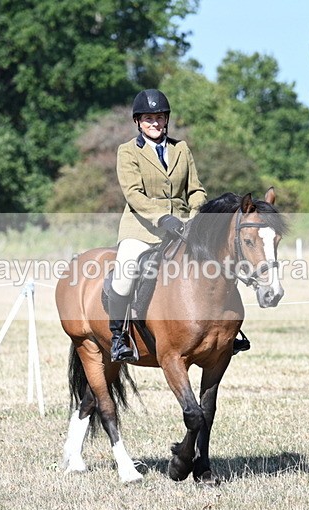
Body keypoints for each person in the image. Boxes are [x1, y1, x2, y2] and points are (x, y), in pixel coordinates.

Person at [108, 88, 207, 362]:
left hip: (183, 228)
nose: (155, 122)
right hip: (142, 229)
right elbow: (133, 194)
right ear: (138, 121)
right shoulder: (128, 151)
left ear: (166, 119)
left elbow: (196, 190)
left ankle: (224, 333)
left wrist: (195, 215)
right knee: (125, 272)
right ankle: (118, 338)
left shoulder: (181, 149)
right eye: (149, 118)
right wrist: (162, 218)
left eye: (160, 117)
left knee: (214, 266)